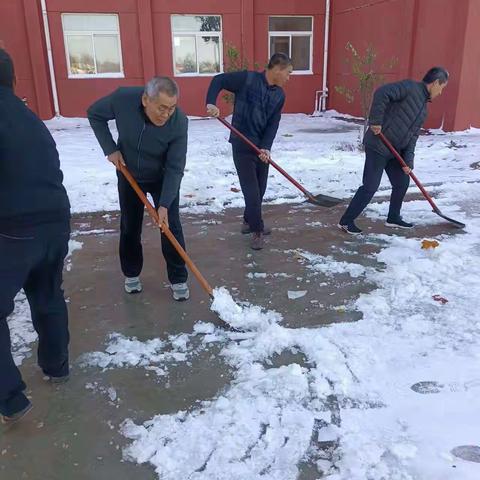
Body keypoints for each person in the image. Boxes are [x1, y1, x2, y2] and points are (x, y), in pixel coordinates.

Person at [0, 49, 71, 423]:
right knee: (47, 296)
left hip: (14, 230)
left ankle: (9, 399)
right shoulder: (30, 117)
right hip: (57, 222)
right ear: (12, 80)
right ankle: (57, 366)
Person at [88, 77, 190, 300]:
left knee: (170, 225)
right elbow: (94, 114)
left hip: (162, 176)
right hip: (129, 172)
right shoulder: (122, 99)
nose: (166, 114)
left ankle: (179, 278)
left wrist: (164, 204)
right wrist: (110, 148)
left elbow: (175, 167)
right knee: (130, 225)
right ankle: (131, 273)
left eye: (171, 108)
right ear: (146, 99)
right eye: (162, 108)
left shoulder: (179, 122)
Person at [338, 67, 449, 234]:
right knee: (370, 186)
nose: (441, 92)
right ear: (435, 83)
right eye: (442, 87)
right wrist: (376, 120)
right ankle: (346, 222)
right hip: (378, 144)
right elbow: (382, 93)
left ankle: (393, 217)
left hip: (395, 151)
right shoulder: (409, 87)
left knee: (402, 182)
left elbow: (412, 138)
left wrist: (407, 162)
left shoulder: (423, 110)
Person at [206, 53, 292, 250]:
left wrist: (266, 147)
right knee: (251, 192)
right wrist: (211, 102)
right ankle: (257, 231)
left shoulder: (279, 95)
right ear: (277, 69)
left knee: (260, 190)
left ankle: (248, 222)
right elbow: (218, 80)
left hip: (260, 148)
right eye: (288, 73)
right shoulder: (248, 79)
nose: (289, 77)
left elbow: (273, 123)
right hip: (242, 145)